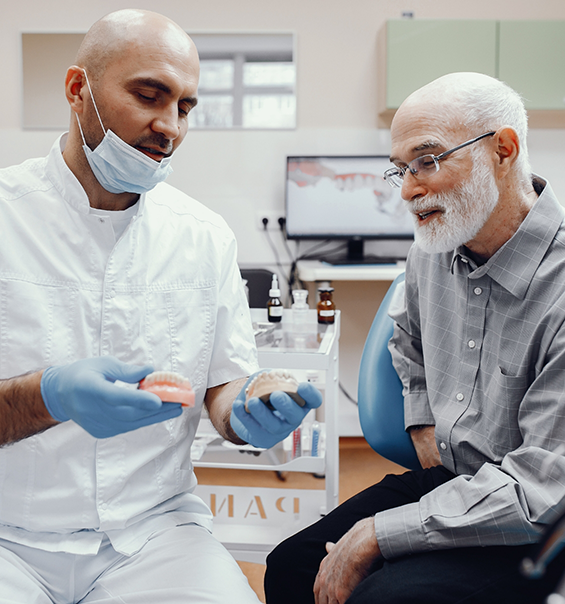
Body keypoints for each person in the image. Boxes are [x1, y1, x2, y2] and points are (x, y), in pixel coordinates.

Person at [0, 9, 321, 604]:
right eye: (149, 96)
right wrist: (47, 395)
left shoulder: (203, 237)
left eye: (186, 107)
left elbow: (224, 385)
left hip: (153, 533)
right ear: (78, 90)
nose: (169, 126)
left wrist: (248, 406)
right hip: (9, 535)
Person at [264, 72, 565, 604]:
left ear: (504, 149)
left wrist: (379, 535)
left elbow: (539, 489)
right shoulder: (432, 249)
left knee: (381, 597)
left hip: (537, 517)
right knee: (290, 567)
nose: (407, 190)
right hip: (453, 479)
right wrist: (423, 420)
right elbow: (407, 338)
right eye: (400, 170)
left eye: (427, 161)